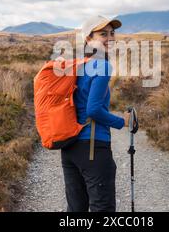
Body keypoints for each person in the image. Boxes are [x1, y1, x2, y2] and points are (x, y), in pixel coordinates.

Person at [60, 15, 131, 212]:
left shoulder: (78, 65)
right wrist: (122, 121)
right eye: (103, 34)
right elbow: (93, 109)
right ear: (88, 39)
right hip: (92, 148)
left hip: (70, 148)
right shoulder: (103, 65)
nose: (110, 38)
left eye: (112, 33)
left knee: (76, 210)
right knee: (102, 208)